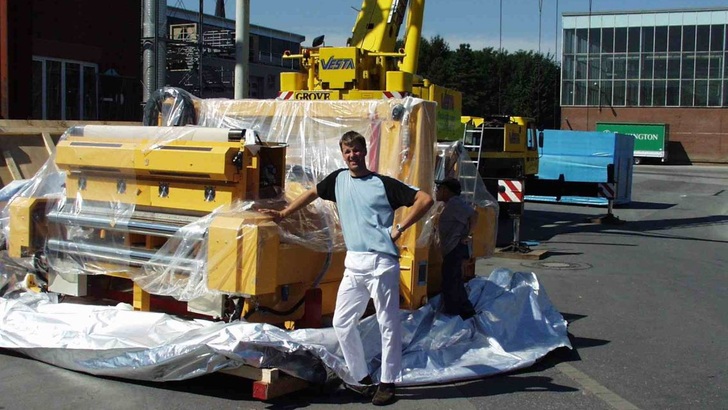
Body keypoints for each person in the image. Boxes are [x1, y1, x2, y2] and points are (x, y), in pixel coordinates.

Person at [260, 131, 434, 406]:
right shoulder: (338, 179)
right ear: (343, 154)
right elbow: (310, 193)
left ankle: (388, 382)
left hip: (381, 263)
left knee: (388, 323)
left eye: (356, 150)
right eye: (347, 151)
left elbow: (425, 199)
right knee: (342, 322)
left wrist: (400, 227)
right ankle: (361, 379)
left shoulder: (383, 184)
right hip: (354, 262)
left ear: (365, 152)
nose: (352, 156)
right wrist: (283, 214)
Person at [435, 177, 477, 320]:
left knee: (451, 280)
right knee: (454, 279)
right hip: (452, 247)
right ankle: (464, 310)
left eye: (438, 189)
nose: (436, 192)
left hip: (455, 247)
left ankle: (455, 312)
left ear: (446, 190)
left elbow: (473, 214)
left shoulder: (455, 203)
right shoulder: (449, 204)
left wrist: (469, 234)